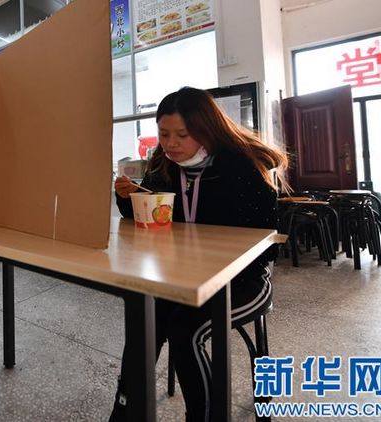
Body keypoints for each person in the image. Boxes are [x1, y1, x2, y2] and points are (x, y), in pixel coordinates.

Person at [110, 87, 288, 422]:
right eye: (164, 134)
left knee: (185, 329)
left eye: (182, 135)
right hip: (182, 274)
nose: (171, 144)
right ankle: (124, 410)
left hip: (243, 278)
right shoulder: (163, 164)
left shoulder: (241, 164)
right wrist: (127, 197)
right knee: (145, 320)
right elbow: (150, 213)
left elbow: (265, 243)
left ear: (206, 130)